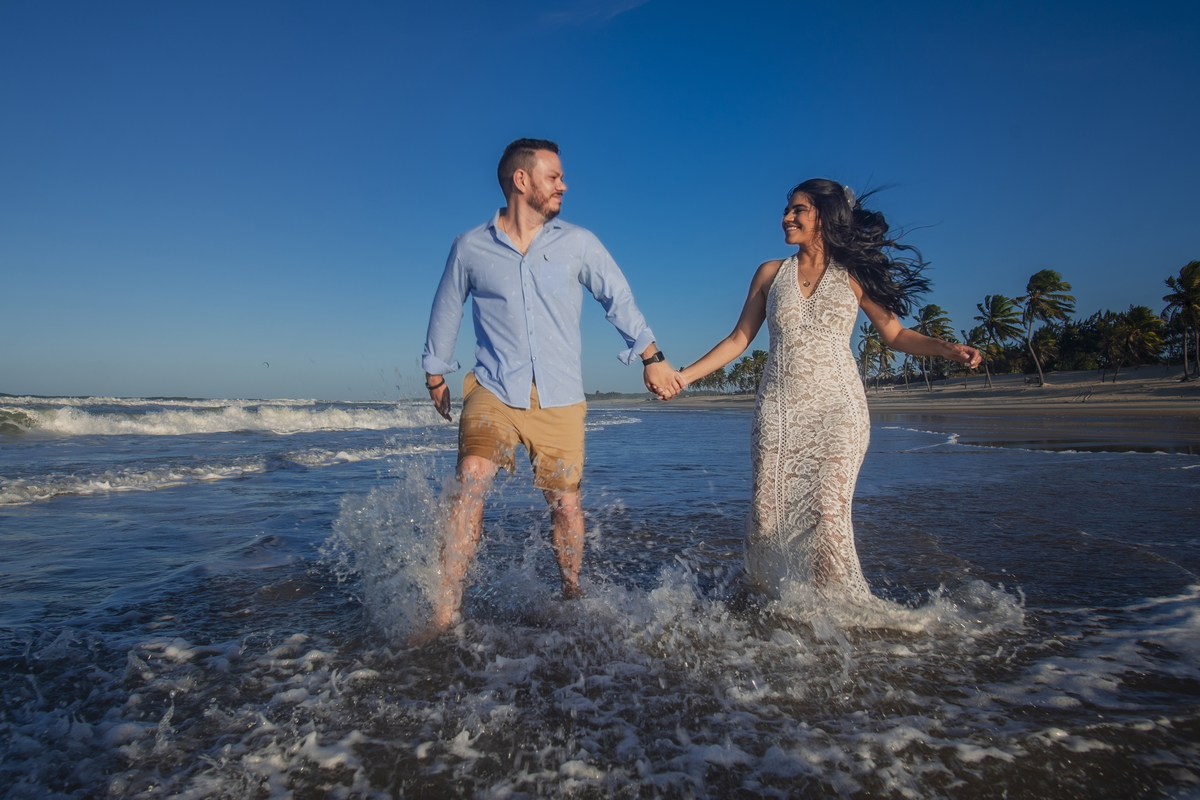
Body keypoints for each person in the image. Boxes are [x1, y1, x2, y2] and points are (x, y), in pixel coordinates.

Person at [418, 138, 683, 641]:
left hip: (560, 395)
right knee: (471, 480)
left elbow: (616, 296)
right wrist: (436, 374)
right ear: (522, 180)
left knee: (565, 504)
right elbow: (447, 307)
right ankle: (444, 611)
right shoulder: (470, 245)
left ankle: (570, 593)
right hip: (492, 387)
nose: (564, 184)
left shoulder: (578, 242)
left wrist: (650, 356)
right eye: (554, 176)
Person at [676, 179, 980, 600]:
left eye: (798, 210)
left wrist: (945, 348)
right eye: (787, 209)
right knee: (766, 516)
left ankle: (834, 612)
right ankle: (767, 600)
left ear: (824, 214)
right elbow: (738, 340)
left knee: (826, 513)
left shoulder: (852, 274)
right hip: (779, 410)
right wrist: (684, 377)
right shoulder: (770, 273)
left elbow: (893, 333)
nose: (787, 217)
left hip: (838, 409)